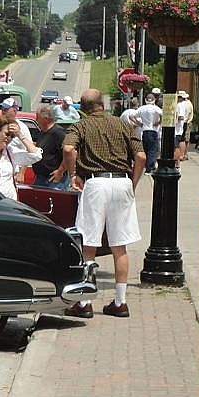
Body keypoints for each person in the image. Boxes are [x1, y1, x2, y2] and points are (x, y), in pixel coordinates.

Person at [62, 88, 145, 319]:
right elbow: (141, 156)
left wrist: (72, 174)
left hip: (95, 183)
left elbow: (69, 148)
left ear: (83, 107)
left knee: (88, 243)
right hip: (121, 182)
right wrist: (134, 182)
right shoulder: (122, 124)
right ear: (102, 104)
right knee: (120, 246)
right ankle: (120, 301)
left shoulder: (81, 126)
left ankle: (85, 301)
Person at [31, 104, 69, 190]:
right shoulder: (42, 132)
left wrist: (60, 171)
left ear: (47, 119)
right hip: (40, 178)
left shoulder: (59, 133)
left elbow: (69, 153)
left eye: (38, 117)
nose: (36, 119)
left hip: (54, 180)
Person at [135, 93, 162, 173]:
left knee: (146, 150)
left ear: (146, 100)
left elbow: (132, 116)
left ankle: (148, 165)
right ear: (154, 100)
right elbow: (162, 114)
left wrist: (139, 123)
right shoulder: (155, 108)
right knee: (152, 150)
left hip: (144, 131)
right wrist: (159, 122)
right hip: (153, 131)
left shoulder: (142, 108)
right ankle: (149, 168)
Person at [175, 90, 193, 163]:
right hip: (187, 122)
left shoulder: (181, 104)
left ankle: (181, 155)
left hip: (183, 122)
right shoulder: (189, 103)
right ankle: (184, 154)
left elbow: (181, 116)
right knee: (185, 139)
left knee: (182, 139)